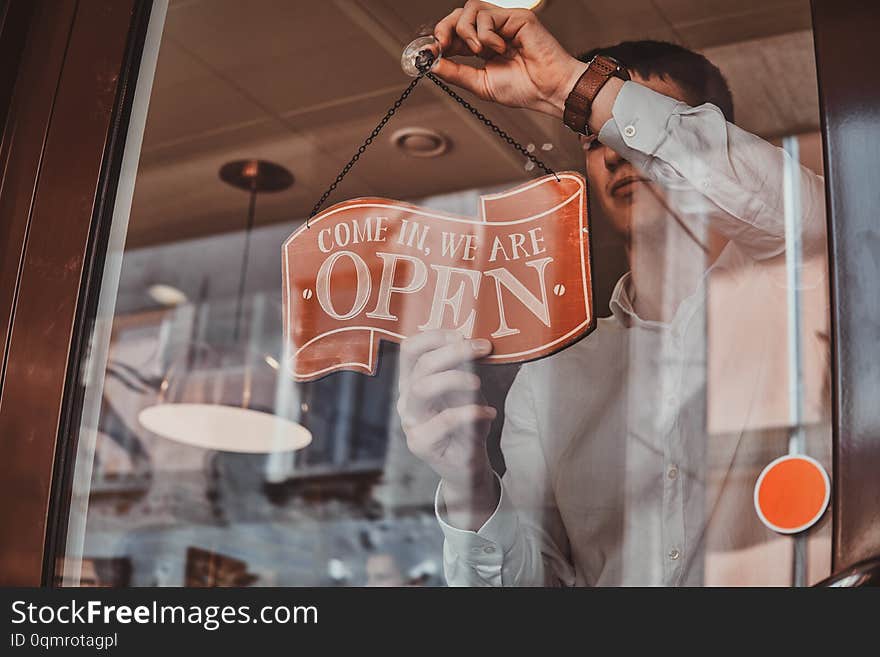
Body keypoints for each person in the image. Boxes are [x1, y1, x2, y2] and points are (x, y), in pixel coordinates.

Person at [397, 1, 828, 585]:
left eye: (638, 131)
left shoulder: (798, 289)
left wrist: (573, 88)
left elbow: (813, 219)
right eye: (594, 137)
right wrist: (469, 484)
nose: (617, 150)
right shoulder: (551, 378)